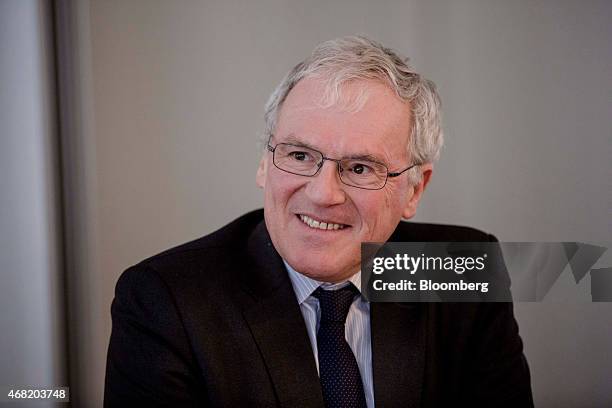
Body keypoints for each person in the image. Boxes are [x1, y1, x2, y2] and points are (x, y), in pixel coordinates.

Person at [104, 36, 533, 407]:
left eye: (361, 168)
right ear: (264, 164)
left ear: (415, 190)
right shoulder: (167, 299)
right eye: (299, 156)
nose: (323, 194)